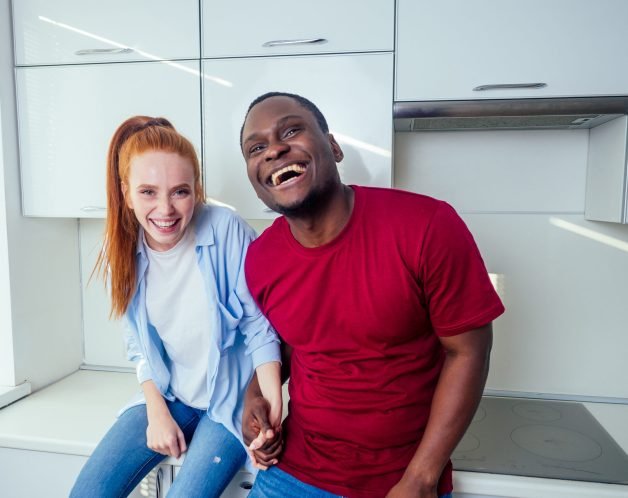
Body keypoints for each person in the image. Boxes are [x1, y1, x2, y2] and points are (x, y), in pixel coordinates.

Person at [239, 92, 505, 498]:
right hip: (293, 474)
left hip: (402, 480)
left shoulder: (428, 226)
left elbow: (469, 351)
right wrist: (255, 398)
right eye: (256, 148)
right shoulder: (260, 259)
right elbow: (294, 345)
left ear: (333, 146)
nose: (274, 149)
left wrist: (420, 478)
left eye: (291, 130)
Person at [70, 116, 282, 498]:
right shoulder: (120, 247)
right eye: (148, 192)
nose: (165, 209)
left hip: (228, 405)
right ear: (126, 193)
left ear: (196, 189)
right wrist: (156, 411)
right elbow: (138, 344)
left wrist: (273, 410)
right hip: (171, 395)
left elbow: (260, 326)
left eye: (180, 192)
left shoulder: (224, 228)